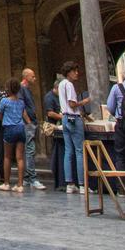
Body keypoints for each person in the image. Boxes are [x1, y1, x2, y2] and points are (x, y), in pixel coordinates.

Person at [55, 62, 90, 194]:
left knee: (68, 151)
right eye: (74, 71)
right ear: (69, 72)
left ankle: (70, 183)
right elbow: (72, 103)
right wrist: (84, 101)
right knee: (79, 151)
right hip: (74, 118)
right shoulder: (69, 85)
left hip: (65, 118)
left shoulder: (61, 85)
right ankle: (82, 184)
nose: (77, 73)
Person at [0, 79, 32, 191]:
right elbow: (24, 115)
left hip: (9, 128)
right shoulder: (21, 102)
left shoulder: (4, 101)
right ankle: (20, 184)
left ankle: (6, 183)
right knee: (20, 158)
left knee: (7, 157)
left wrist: (4, 120)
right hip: (21, 128)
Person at [20, 68, 46, 191]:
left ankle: (26, 177)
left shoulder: (26, 89)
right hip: (27, 124)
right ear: (26, 77)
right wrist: (29, 122)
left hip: (30, 122)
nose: (35, 79)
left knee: (29, 151)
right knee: (29, 150)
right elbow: (22, 107)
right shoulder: (22, 88)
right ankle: (32, 178)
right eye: (33, 76)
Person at [40, 78, 64, 190]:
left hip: (60, 126)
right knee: (56, 150)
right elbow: (50, 113)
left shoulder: (59, 96)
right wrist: (65, 116)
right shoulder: (49, 97)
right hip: (54, 127)